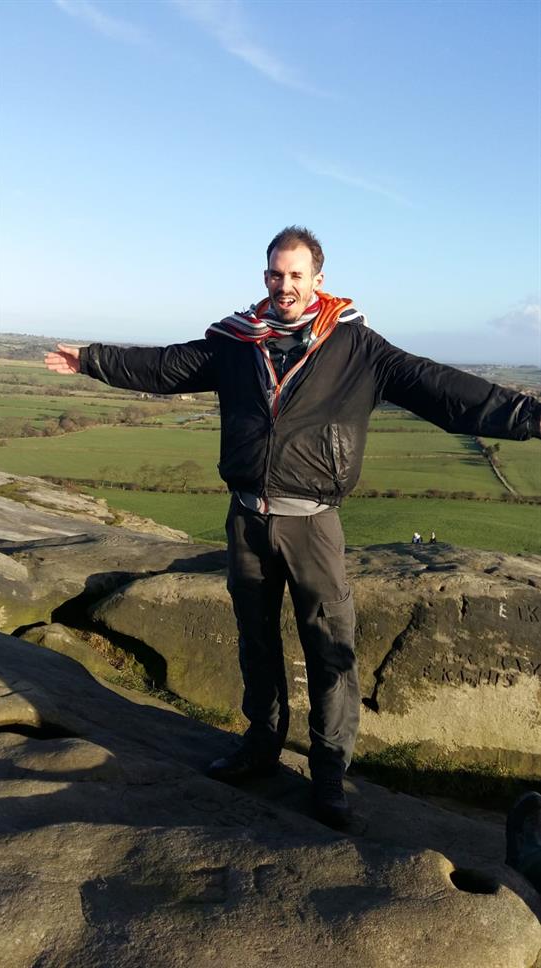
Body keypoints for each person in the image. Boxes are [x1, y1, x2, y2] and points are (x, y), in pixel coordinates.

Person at [45, 225, 541, 829]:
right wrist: (92, 359)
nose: (285, 285)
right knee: (255, 639)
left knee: (329, 647)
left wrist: (530, 416)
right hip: (248, 517)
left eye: (296, 275)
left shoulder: (360, 348)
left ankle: (330, 773)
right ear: (266, 278)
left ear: (318, 280)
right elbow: (166, 366)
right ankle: (260, 745)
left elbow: (450, 392)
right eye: (276, 274)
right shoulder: (237, 341)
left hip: (312, 523)